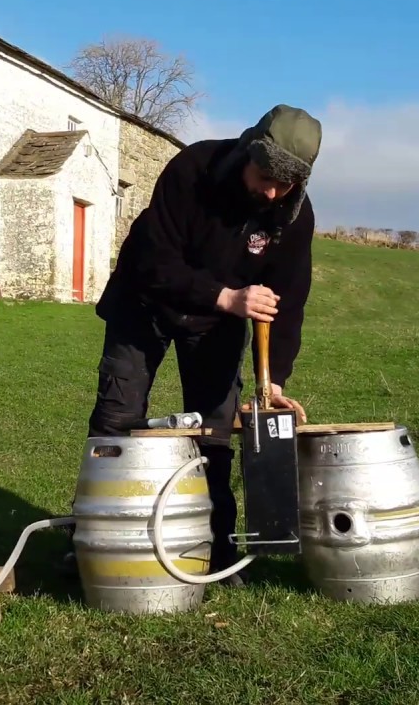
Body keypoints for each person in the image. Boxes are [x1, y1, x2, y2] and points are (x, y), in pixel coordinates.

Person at [65, 104, 322, 587]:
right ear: (249, 150)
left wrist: (275, 381)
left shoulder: (293, 218)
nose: (270, 191)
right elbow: (152, 260)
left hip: (218, 321)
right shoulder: (192, 170)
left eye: (284, 184)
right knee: (115, 422)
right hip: (143, 303)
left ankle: (216, 550)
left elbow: (287, 304)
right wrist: (225, 296)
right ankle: (90, 541)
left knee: (215, 432)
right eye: (265, 175)